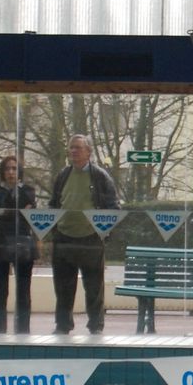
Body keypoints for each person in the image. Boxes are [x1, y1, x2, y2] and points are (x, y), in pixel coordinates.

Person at [49, 134, 120, 335]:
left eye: (78, 148)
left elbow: (114, 207)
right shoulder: (63, 175)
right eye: (71, 147)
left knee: (94, 287)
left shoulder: (100, 177)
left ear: (88, 152)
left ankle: (95, 326)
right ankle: (63, 325)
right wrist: (53, 230)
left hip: (91, 239)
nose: (73, 151)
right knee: (63, 287)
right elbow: (53, 204)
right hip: (64, 238)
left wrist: (103, 231)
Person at [0, 154, 38, 334]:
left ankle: (23, 330)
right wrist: (17, 212)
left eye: (14, 168)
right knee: (0, 290)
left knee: (23, 290)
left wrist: (7, 213)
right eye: (7, 169)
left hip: (22, 242)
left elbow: (28, 214)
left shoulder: (28, 190)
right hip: (0, 242)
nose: (10, 172)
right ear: (2, 172)